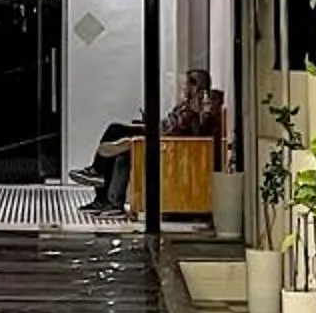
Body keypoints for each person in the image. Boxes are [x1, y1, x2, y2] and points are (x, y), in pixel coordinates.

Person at [71, 71, 218, 213]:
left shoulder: (196, 109)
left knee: (122, 150)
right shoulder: (186, 105)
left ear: (195, 87)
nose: (182, 87)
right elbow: (169, 124)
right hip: (159, 132)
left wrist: (200, 109)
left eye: (186, 84)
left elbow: (179, 131)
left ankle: (103, 186)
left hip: (162, 141)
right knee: (114, 129)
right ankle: (99, 180)